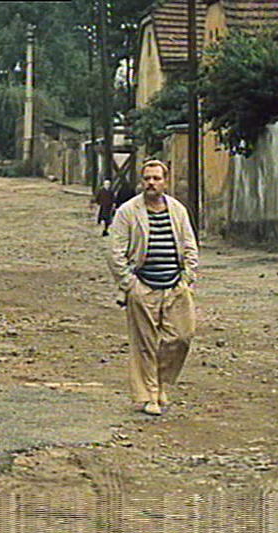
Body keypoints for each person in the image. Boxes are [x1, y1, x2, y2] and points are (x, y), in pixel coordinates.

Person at [104, 159, 198, 416]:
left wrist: (187, 278)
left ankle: (162, 382)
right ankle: (149, 395)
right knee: (144, 344)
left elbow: (190, 246)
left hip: (175, 286)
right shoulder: (128, 211)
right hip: (143, 286)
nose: (151, 183)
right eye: (147, 178)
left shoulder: (177, 210)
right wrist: (129, 284)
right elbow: (114, 251)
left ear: (165, 181)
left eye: (156, 178)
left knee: (182, 336)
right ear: (141, 181)